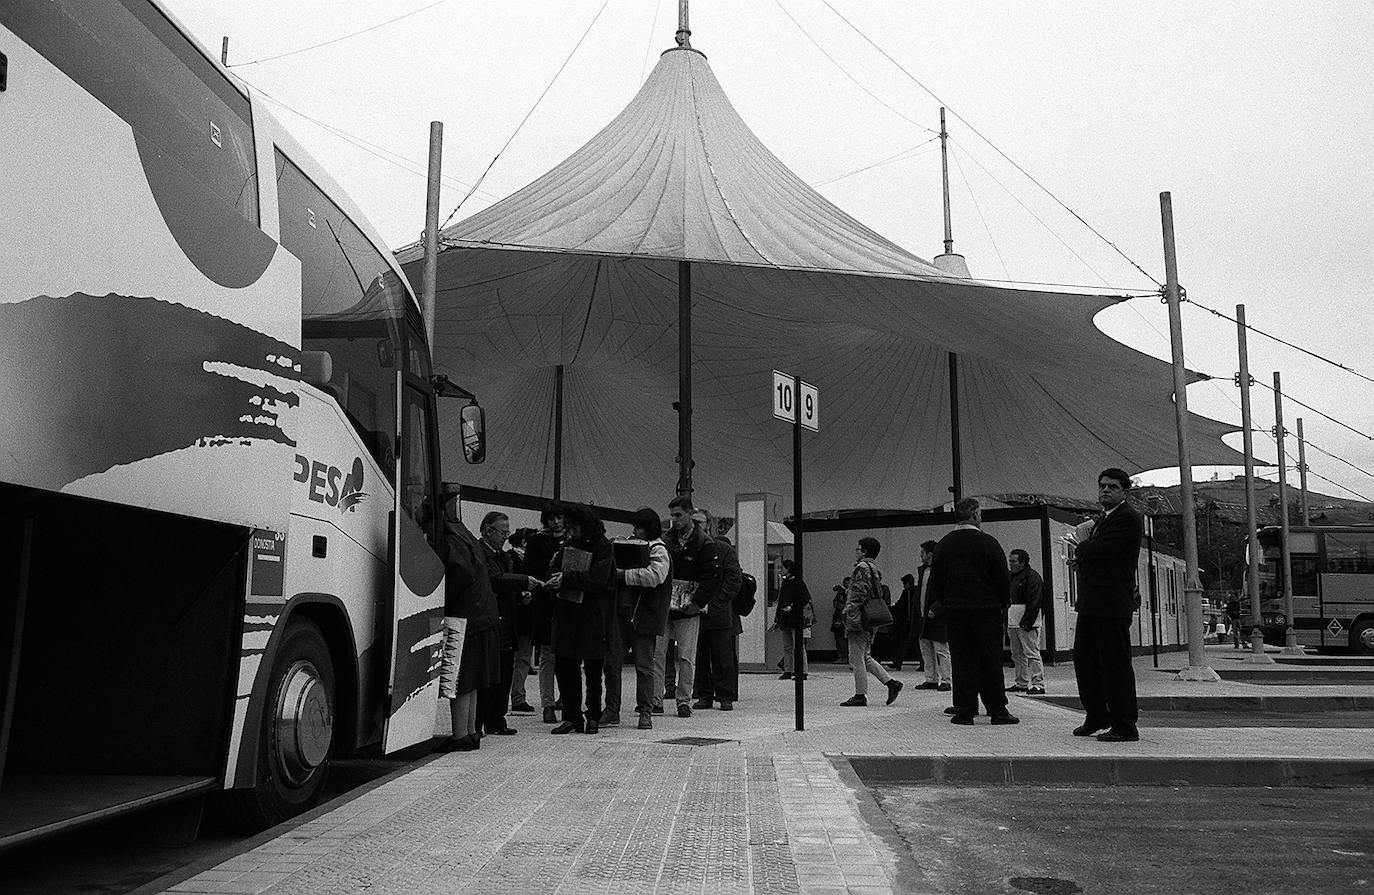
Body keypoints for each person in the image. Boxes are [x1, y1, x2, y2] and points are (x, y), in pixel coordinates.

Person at [927, 498, 1017, 726]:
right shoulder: (988, 543)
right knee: (989, 659)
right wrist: (1002, 601)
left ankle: (965, 709)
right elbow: (1002, 578)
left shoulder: (943, 545)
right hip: (986, 610)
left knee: (962, 659)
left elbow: (935, 582)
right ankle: (997, 709)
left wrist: (947, 601)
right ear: (975, 515)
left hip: (956, 611)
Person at [1070, 468, 1144, 743]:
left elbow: (1103, 550)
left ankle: (1124, 724)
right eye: (1102, 486)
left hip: (1111, 603)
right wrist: (1085, 557)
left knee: (1115, 664)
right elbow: (1097, 553)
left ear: (1125, 491)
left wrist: (1083, 549)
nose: (1105, 490)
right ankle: (1096, 715)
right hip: (1093, 601)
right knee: (1086, 661)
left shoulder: (1127, 518)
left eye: (1112, 487)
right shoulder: (1105, 518)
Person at [547, 504, 616, 734]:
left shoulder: (603, 546)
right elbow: (555, 567)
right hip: (567, 614)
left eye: (574, 528)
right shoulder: (568, 543)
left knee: (594, 669)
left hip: (592, 615)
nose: (571, 532)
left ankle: (593, 715)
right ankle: (571, 716)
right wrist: (556, 578)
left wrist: (566, 578)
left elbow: (598, 579)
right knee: (566, 667)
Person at [436, 516, 502, 752]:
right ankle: (471, 733)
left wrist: (438, 599)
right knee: (472, 679)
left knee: (461, 677)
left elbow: (459, 573)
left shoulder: (449, 538)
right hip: (483, 614)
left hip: (466, 617)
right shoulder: (464, 535)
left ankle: (459, 736)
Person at [655, 495, 720, 718]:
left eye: (678, 515)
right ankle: (658, 700)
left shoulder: (703, 543)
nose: (675, 520)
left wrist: (697, 602)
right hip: (668, 605)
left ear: (689, 514)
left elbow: (711, 577)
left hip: (687, 607)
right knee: (659, 654)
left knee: (685, 656)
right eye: (672, 516)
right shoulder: (668, 540)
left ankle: (683, 700)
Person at [477, 512, 541, 736]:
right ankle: (481, 720)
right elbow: (494, 580)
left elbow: (505, 583)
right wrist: (524, 582)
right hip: (489, 622)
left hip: (506, 622)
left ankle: (497, 719)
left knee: (503, 675)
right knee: (488, 676)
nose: (505, 536)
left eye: (507, 532)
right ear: (487, 530)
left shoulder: (503, 556)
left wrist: (520, 594)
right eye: (501, 532)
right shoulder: (480, 553)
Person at [612, 507, 673, 729]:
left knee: (644, 667)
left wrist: (622, 575)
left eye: (638, 527)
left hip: (643, 616)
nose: (635, 531)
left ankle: (645, 709)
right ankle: (613, 710)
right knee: (614, 664)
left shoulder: (659, 550)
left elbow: (655, 576)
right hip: (627, 614)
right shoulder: (645, 545)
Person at [840, 537, 903, 707]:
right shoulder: (874, 568)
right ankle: (891, 683)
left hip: (859, 617)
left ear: (865, 551)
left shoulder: (861, 568)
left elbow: (859, 591)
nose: (856, 552)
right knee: (865, 655)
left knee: (856, 658)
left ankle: (860, 695)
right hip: (871, 616)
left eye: (858, 549)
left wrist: (849, 609)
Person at [692, 508, 741, 711]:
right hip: (695, 611)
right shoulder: (687, 549)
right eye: (693, 521)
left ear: (709, 525)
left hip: (718, 611)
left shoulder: (723, 549)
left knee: (722, 656)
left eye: (699, 523)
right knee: (700, 656)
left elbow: (734, 579)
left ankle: (725, 695)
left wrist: (718, 601)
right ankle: (704, 694)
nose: (695, 526)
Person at [524, 503, 566, 724]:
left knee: (566, 657)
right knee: (548, 656)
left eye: (559, 518)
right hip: (546, 602)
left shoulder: (572, 539)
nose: (556, 522)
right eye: (552, 518)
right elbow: (528, 570)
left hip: (567, 604)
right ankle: (548, 704)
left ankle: (565, 698)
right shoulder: (537, 541)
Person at [507, 527, 539, 715]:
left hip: (517, 614)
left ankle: (517, 696)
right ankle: (518, 697)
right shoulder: (516, 560)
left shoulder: (509, 557)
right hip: (521, 615)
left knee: (521, 658)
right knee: (522, 658)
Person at [1006, 548, 1046, 695]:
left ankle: (1038, 683)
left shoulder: (1032, 577)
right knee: (1017, 653)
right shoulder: (1021, 576)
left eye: (1014, 561)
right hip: (1016, 618)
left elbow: (1035, 601)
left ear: (1022, 562)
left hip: (1024, 618)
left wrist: (1027, 621)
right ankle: (1022, 682)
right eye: (1010, 561)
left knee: (1031, 652)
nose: (1011, 564)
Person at [913, 541, 950, 692]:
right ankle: (931, 679)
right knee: (926, 648)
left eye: (922, 552)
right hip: (924, 615)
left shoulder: (942, 570)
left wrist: (936, 608)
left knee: (941, 649)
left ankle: (946, 679)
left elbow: (947, 591)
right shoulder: (923, 570)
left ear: (930, 554)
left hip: (937, 616)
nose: (920, 555)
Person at [774, 559, 813, 679]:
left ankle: (800, 670)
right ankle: (789, 670)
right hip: (788, 617)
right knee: (790, 646)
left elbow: (804, 599)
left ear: (788, 569)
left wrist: (791, 607)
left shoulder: (796, 582)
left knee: (795, 646)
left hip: (794, 617)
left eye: (782, 568)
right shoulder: (789, 582)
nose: (780, 570)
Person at [887, 572, 915, 671]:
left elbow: (900, 606)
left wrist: (891, 607)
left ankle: (897, 662)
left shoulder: (906, 592)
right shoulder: (915, 591)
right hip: (911, 621)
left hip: (903, 621)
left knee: (900, 643)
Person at [830, 578, 851, 664]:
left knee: (843, 638)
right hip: (837, 616)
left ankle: (846, 656)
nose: (846, 585)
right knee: (837, 637)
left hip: (845, 617)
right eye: (845, 583)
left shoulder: (851, 593)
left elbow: (845, 605)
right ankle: (841, 655)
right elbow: (835, 604)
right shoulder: (840, 593)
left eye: (848, 583)